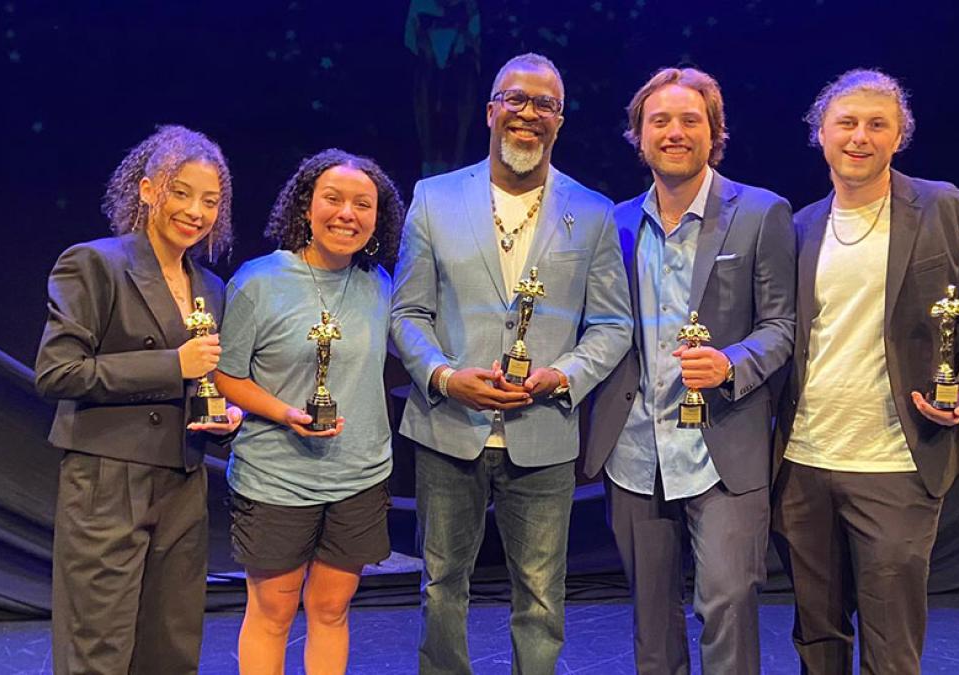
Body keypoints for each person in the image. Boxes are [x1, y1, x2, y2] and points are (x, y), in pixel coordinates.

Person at [391, 52, 633, 674]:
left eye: (545, 104)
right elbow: (406, 315)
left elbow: (612, 325)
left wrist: (564, 377)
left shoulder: (595, 212)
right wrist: (445, 376)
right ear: (491, 109)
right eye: (516, 100)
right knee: (442, 587)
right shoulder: (434, 198)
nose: (529, 115)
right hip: (449, 428)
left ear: (561, 120)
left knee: (541, 597)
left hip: (543, 433)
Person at [771, 68, 959, 674]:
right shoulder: (797, 227)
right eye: (846, 123)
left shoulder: (944, 207)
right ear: (820, 134)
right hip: (803, 461)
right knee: (818, 637)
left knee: (892, 644)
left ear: (899, 135)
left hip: (899, 461)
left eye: (877, 124)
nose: (860, 137)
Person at [584, 67, 796, 674]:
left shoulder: (761, 213)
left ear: (713, 132)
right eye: (660, 121)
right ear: (639, 135)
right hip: (633, 448)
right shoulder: (614, 223)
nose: (674, 132)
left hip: (722, 445)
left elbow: (782, 326)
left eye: (689, 120)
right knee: (651, 621)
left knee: (727, 603)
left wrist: (731, 362)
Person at [35, 125, 243, 674]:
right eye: (181, 192)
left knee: (170, 649)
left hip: (182, 482)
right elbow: (58, 372)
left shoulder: (212, 288)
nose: (196, 211)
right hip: (108, 478)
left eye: (209, 200)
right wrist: (172, 365)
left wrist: (223, 415)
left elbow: (201, 383)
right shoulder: (94, 264)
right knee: (98, 646)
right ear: (148, 190)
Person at [213, 149, 405, 675]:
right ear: (306, 207)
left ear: (377, 218)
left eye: (363, 204)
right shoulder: (258, 282)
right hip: (276, 478)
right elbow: (225, 375)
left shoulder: (381, 285)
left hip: (359, 476)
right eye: (333, 199)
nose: (348, 213)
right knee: (273, 612)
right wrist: (283, 412)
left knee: (331, 609)